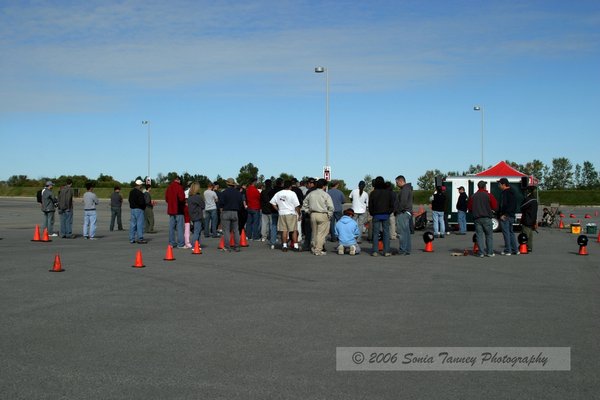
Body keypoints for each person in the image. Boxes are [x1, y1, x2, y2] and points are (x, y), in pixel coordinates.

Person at [302, 179, 334, 256]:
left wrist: (308, 211)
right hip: (323, 214)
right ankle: (318, 249)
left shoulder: (311, 193)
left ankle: (314, 247)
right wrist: (329, 215)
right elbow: (331, 207)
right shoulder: (325, 195)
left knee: (314, 232)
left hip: (313, 214)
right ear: (324, 186)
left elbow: (304, 204)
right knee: (321, 234)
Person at [467, 180, 498, 257]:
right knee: (489, 236)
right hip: (487, 218)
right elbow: (495, 206)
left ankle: (481, 252)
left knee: (479, 236)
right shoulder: (489, 195)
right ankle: (490, 252)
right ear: (485, 186)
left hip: (477, 218)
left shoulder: (473, 196)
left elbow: (469, 207)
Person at [270, 180, 301, 252]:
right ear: (290, 186)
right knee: (293, 230)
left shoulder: (278, 193)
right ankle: (296, 246)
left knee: (284, 230)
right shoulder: (292, 193)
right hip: (291, 213)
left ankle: (284, 246)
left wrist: (278, 209)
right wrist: (299, 214)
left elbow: (272, 203)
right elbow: (297, 205)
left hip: (282, 213)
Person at [368, 176, 395, 256]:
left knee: (375, 233)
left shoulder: (373, 193)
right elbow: (391, 204)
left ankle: (375, 251)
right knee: (386, 233)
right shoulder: (388, 192)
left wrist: (372, 213)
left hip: (376, 215)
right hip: (386, 215)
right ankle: (386, 251)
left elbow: (370, 205)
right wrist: (389, 212)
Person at [219, 178, 244, 252]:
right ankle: (237, 247)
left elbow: (221, 204)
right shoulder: (238, 193)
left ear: (227, 184)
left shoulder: (224, 192)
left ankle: (227, 247)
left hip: (226, 211)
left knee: (226, 231)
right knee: (236, 230)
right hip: (235, 212)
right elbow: (241, 204)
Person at [497, 177, 518, 255]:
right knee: (511, 232)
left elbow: (504, 204)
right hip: (512, 215)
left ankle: (507, 250)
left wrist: (503, 214)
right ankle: (515, 249)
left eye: (499, 184)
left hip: (506, 216)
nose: (499, 185)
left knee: (506, 233)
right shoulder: (513, 192)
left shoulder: (504, 193)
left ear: (503, 184)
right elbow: (514, 205)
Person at [394, 175, 413, 255]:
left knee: (402, 233)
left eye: (397, 182)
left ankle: (402, 250)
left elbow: (403, 202)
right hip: (407, 212)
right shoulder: (408, 188)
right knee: (406, 232)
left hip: (403, 213)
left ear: (401, 181)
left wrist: (397, 211)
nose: (396, 184)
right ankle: (407, 249)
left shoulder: (404, 190)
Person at [165, 176, 186, 248]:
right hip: (178, 210)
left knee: (171, 227)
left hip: (171, 210)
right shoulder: (179, 187)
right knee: (180, 227)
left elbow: (166, 199)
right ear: (179, 180)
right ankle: (180, 243)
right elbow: (182, 198)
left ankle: (171, 243)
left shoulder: (169, 187)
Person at [520, 187, 538, 253]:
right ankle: (529, 247)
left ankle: (524, 247)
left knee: (525, 234)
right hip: (532, 219)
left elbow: (522, 207)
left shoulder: (529, 200)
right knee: (530, 235)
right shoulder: (535, 200)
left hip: (527, 219)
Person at [129, 179, 147, 244]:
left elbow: (129, 200)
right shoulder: (140, 193)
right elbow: (142, 202)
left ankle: (131, 239)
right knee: (140, 224)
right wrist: (144, 207)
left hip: (132, 209)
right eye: (141, 184)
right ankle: (140, 238)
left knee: (133, 224)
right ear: (139, 185)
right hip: (139, 209)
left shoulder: (131, 192)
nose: (141, 185)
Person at [188, 182, 205, 247]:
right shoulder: (198, 197)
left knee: (197, 231)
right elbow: (203, 206)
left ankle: (197, 244)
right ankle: (194, 245)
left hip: (192, 216)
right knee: (197, 232)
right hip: (198, 216)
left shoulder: (190, 197)